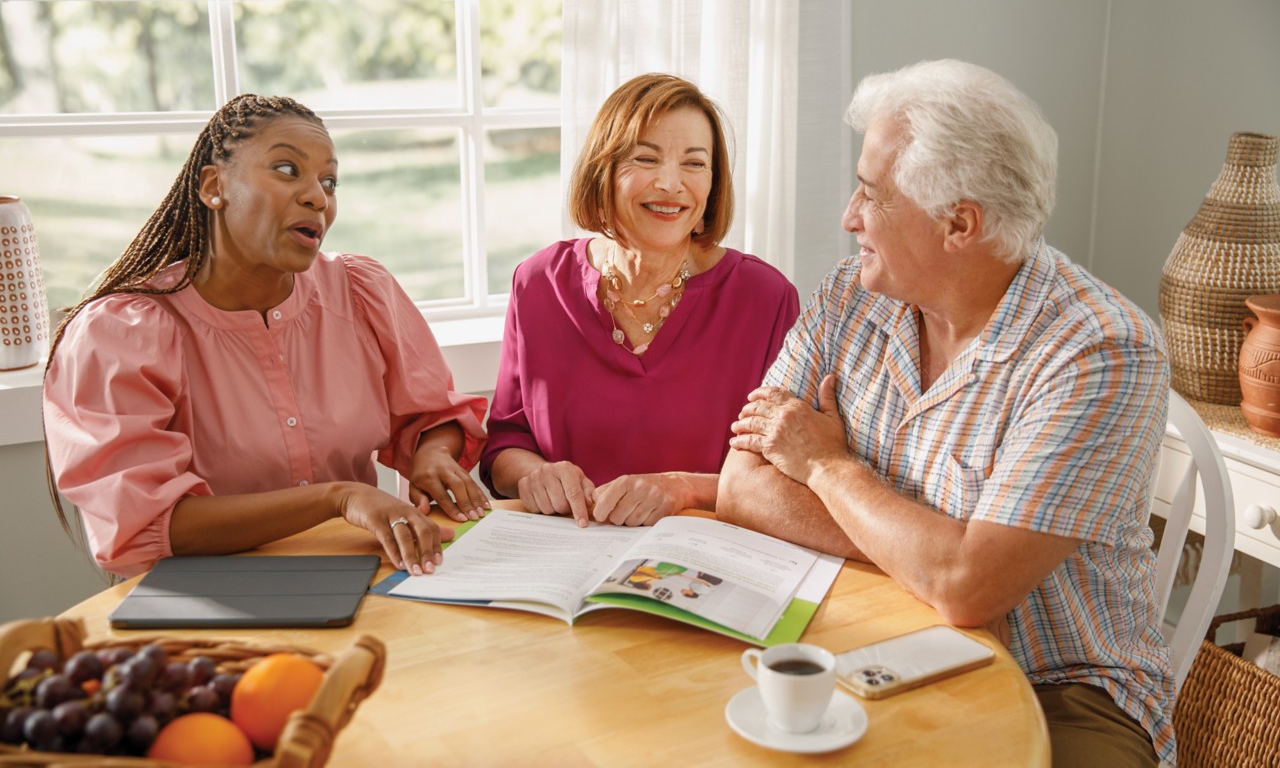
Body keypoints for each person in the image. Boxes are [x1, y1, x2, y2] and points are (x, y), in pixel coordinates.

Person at [718, 60, 1174, 766]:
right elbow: (740, 485)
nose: (849, 217)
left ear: (959, 223)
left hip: (1061, 686)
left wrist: (825, 465)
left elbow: (968, 587)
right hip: (870, 639)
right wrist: (921, 556)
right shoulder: (852, 295)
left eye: (872, 194)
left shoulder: (1100, 350)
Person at [43, 94, 489, 579]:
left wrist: (432, 454)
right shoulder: (119, 335)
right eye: (286, 169)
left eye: (329, 181)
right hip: (211, 601)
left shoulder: (361, 293)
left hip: (366, 580)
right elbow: (151, 522)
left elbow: (432, 414)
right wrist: (339, 497)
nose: (318, 197)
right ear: (214, 187)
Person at [480, 73, 799, 527]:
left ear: (713, 184)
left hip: (704, 557)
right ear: (602, 171)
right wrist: (534, 475)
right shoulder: (537, 283)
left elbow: (786, 471)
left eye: (694, 164)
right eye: (646, 159)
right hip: (567, 549)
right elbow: (507, 443)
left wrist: (682, 487)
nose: (671, 184)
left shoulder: (765, 299)